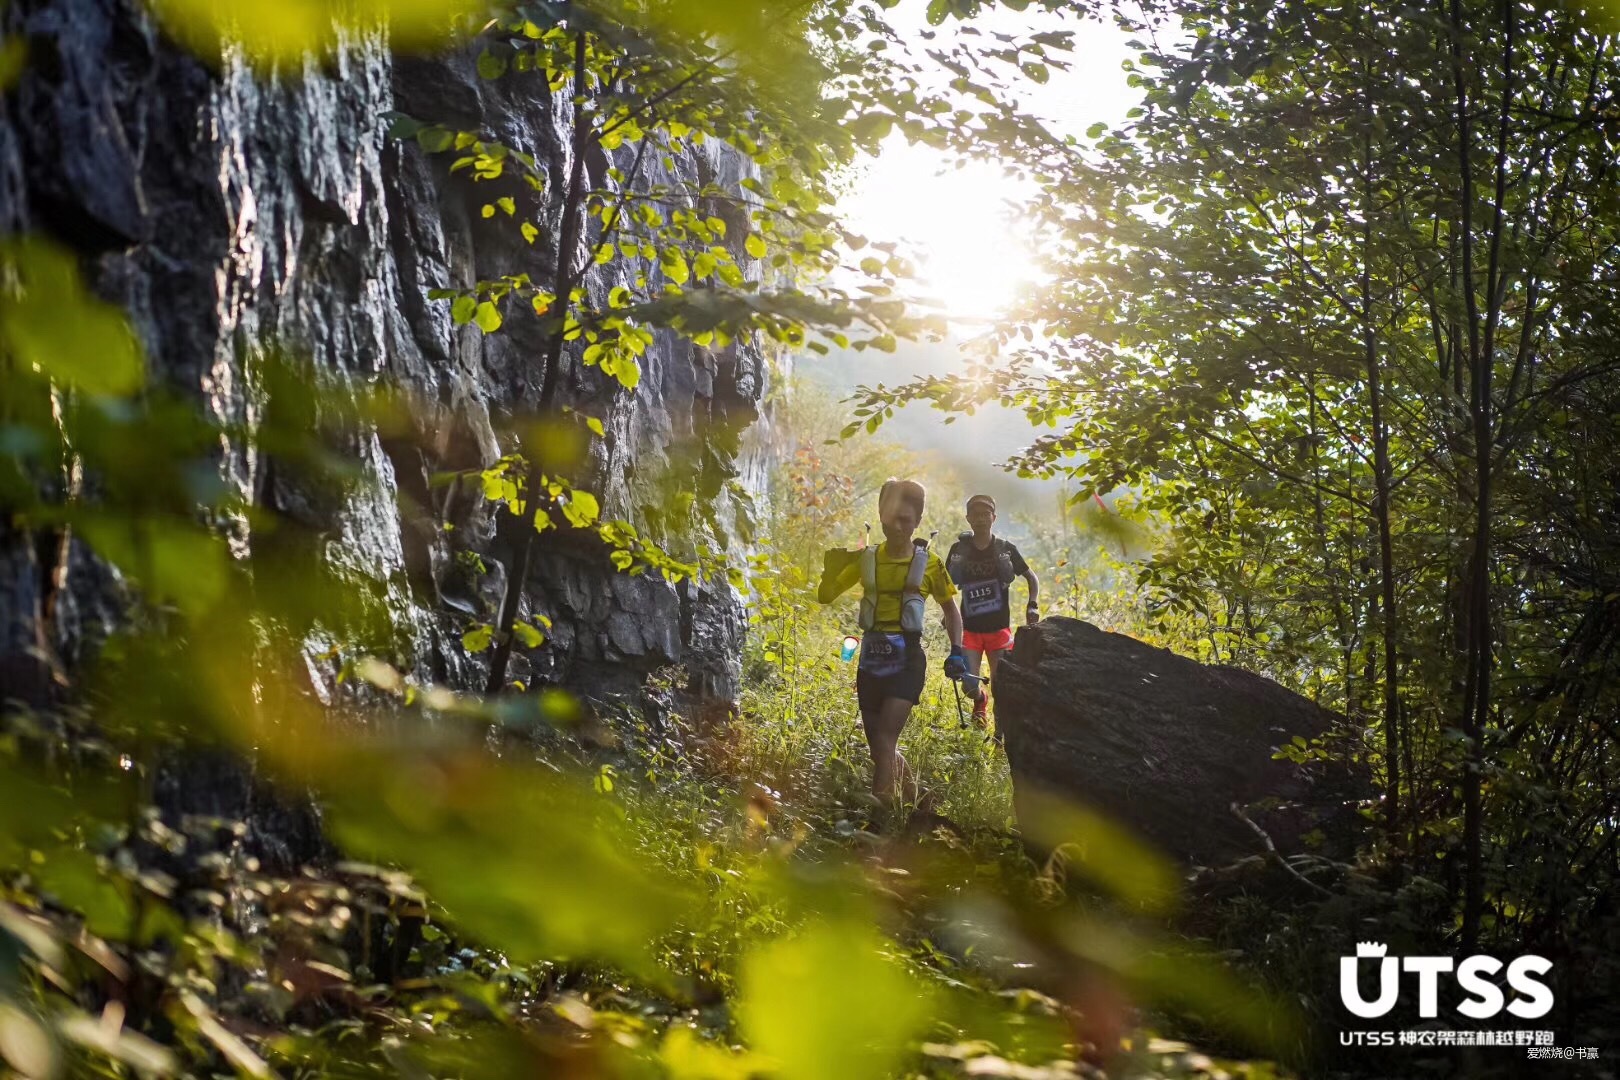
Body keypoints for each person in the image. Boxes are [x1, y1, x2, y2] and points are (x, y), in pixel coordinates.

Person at [818, 479, 966, 802]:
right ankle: (920, 802)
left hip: (907, 661)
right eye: (891, 517)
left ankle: (880, 816)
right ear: (881, 516)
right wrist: (830, 572)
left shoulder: (930, 564)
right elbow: (826, 596)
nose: (897, 526)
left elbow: (952, 612)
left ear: (918, 521)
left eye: (905, 519)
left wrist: (957, 650)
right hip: (871, 660)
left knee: (886, 739)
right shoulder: (867, 559)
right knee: (879, 749)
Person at [944, 494, 1040, 727]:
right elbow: (943, 584)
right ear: (968, 518)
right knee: (968, 685)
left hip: (999, 629)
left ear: (993, 517)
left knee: (1001, 686)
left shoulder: (1005, 549)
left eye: (985, 514)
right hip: (969, 629)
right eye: (975, 514)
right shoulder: (959, 550)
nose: (980, 519)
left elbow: (1031, 577)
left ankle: (1000, 733)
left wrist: (1033, 604)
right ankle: (980, 699)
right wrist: (947, 613)